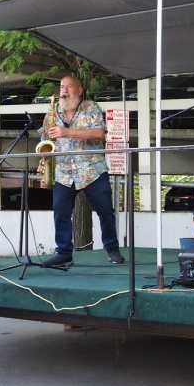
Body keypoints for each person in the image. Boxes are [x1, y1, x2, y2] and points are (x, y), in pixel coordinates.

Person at [41, 74, 124, 267]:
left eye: (68, 87)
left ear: (79, 90)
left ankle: (112, 249)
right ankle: (63, 252)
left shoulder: (91, 107)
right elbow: (45, 137)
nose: (64, 90)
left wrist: (67, 132)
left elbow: (100, 133)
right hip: (64, 172)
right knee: (60, 212)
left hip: (92, 171)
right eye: (61, 87)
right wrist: (46, 146)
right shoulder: (53, 111)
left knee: (105, 211)